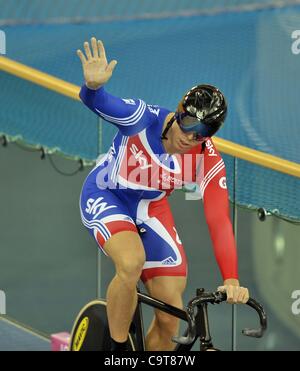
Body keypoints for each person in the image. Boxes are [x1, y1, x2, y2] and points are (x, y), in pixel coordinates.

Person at [77, 37, 249, 351]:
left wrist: (232, 278)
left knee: (173, 318)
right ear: (178, 112)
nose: (190, 137)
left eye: (203, 133)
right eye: (187, 124)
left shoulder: (207, 159)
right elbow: (97, 102)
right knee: (131, 262)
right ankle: (116, 352)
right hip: (107, 195)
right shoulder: (142, 119)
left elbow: (219, 220)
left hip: (150, 209)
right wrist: (92, 87)